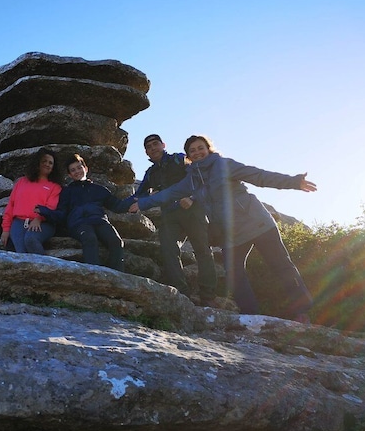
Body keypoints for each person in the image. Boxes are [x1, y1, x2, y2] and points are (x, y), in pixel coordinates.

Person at [129, 134, 317, 322]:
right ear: (188, 155)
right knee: (234, 274)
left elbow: (258, 176)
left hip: (257, 223)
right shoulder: (192, 178)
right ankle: (251, 317)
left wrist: (293, 182)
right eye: (192, 151)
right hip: (232, 233)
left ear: (208, 148)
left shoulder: (224, 165)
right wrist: (144, 203)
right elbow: (170, 193)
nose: (197, 153)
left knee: (281, 265)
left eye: (200, 148)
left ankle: (302, 312)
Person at [127, 134, 217, 306]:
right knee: (168, 250)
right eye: (149, 147)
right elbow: (139, 195)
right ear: (146, 152)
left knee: (203, 251)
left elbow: (200, 178)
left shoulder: (180, 159)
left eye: (156, 144)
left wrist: (192, 197)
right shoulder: (151, 173)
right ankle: (182, 294)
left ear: (163, 145)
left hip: (192, 210)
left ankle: (208, 297)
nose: (153, 148)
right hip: (169, 214)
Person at [36, 154, 129, 271]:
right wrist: (44, 211)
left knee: (116, 241)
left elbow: (117, 206)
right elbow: (61, 213)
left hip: (99, 221)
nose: (77, 172)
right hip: (78, 223)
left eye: (79, 168)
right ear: (69, 174)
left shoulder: (99, 190)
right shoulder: (67, 192)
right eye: (73, 170)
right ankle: (95, 273)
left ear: (86, 168)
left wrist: (136, 200)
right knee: (90, 239)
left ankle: (117, 274)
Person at [0, 147, 63, 254]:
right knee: (21, 251)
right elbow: (11, 205)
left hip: (44, 223)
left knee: (31, 240)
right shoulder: (22, 182)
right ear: (37, 162)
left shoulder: (55, 187)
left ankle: (45, 269)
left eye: (50, 163)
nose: (47, 164)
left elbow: (51, 206)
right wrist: (6, 229)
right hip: (19, 222)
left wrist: (38, 219)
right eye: (44, 161)